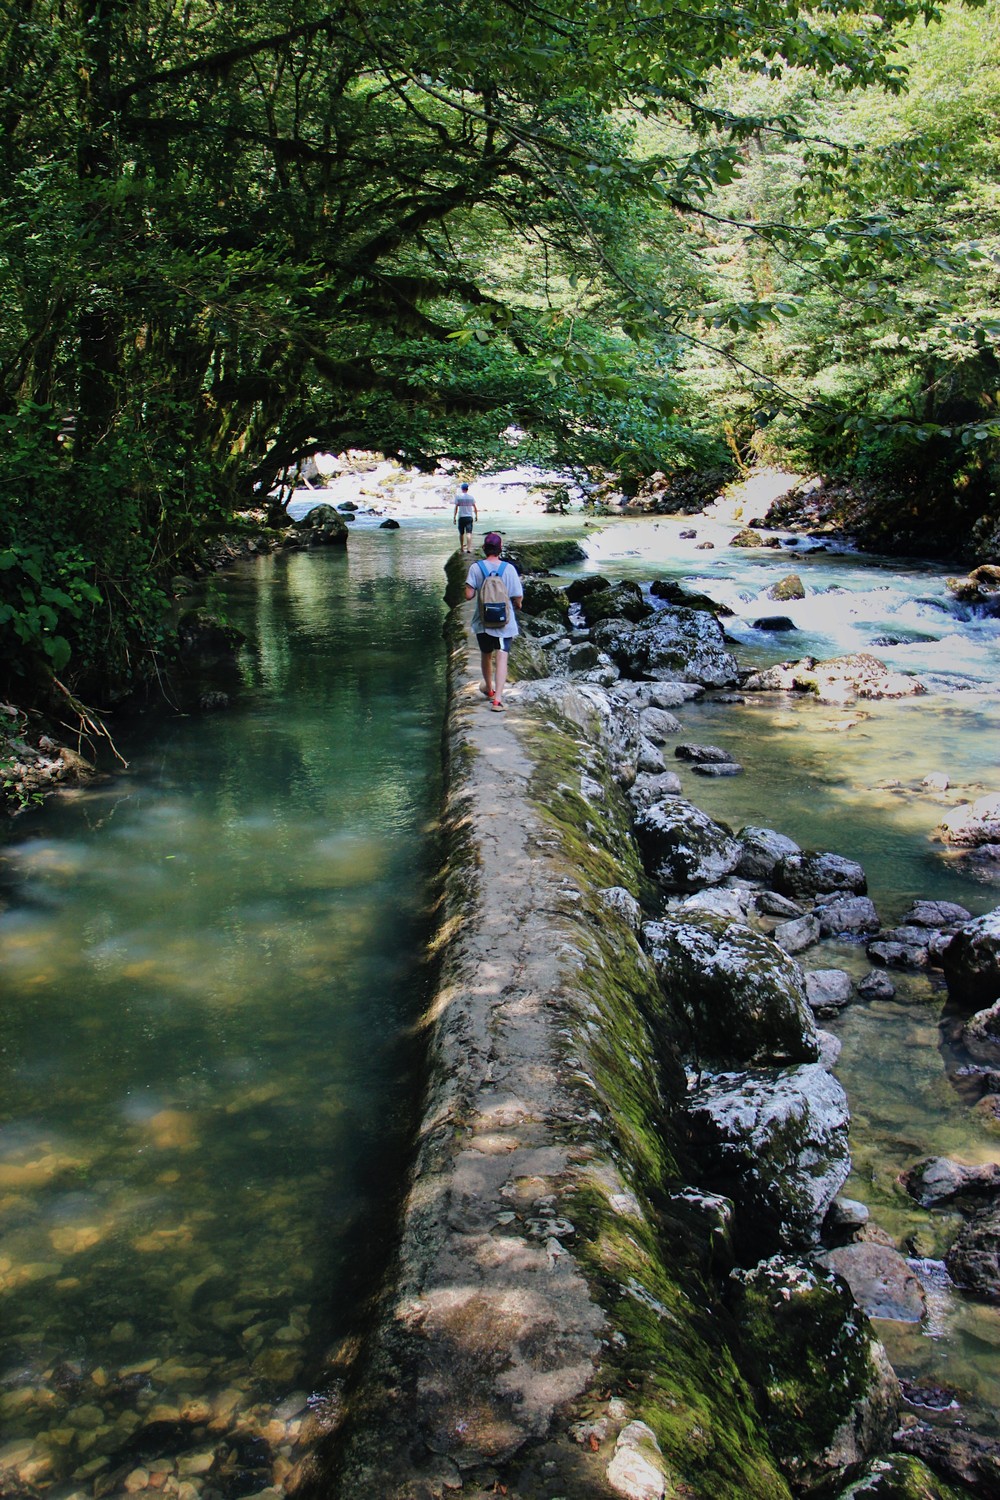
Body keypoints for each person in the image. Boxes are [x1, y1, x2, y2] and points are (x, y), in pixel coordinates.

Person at [465, 533, 523, 712]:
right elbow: (517, 596)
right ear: (500, 549)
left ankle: (489, 689)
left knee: (486, 654)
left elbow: (468, 595)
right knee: (502, 657)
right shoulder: (509, 569)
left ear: (484, 548)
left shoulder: (476, 568)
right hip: (504, 623)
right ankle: (497, 700)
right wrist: (518, 605)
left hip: (483, 621)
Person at [452, 481, 478, 553]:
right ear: (467, 489)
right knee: (469, 533)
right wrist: (476, 516)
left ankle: (462, 548)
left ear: (462, 489)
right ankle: (469, 548)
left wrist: (454, 517)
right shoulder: (471, 497)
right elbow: (475, 507)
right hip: (469, 517)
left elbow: (456, 508)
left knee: (461, 533)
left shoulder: (458, 497)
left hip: (461, 517)